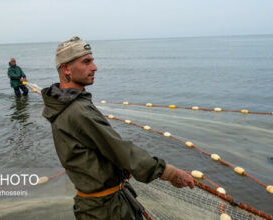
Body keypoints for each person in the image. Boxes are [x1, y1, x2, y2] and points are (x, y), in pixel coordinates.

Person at [41, 36, 195, 220]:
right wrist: (171, 173)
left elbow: (94, 152)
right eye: (86, 62)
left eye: (93, 61)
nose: (94, 67)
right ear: (66, 68)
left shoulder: (66, 104)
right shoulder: (77, 110)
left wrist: (118, 170)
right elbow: (123, 151)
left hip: (98, 206)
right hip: (108, 210)